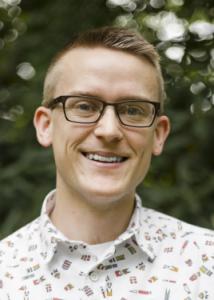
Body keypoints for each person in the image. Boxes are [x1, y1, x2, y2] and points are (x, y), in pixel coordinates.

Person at [0, 26, 213, 300]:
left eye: (133, 110)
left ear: (158, 135)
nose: (109, 130)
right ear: (45, 126)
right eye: (85, 106)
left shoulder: (207, 265)